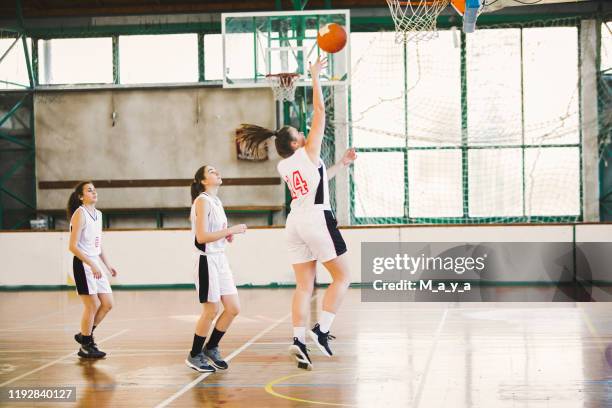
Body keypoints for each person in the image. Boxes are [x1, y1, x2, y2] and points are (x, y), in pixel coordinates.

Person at [236, 57, 357, 370]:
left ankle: (298, 340)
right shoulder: (307, 152)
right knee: (343, 277)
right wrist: (315, 77)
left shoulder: (286, 163)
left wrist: (340, 166)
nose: (305, 133)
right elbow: (320, 112)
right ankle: (322, 330)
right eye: (299, 133)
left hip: (295, 223)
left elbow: (317, 180)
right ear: (294, 142)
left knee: (304, 286)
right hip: (317, 219)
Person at [185, 165, 247, 373]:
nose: (217, 172)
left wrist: (225, 234)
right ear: (203, 180)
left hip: (220, 259)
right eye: (212, 171)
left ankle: (211, 348)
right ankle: (194, 354)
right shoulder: (202, 201)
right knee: (211, 310)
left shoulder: (216, 201)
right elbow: (201, 237)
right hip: (206, 261)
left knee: (233, 308)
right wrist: (231, 230)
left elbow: (213, 233)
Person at [67, 181, 117, 359]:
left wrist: (107, 264)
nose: (94, 192)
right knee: (93, 305)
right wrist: (92, 264)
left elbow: (98, 243)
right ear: (81, 196)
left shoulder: (98, 214)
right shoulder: (79, 214)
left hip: (95, 263)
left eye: (95, 189)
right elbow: (72, 246)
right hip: (83, 264)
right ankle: (86, 345)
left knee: (107, 303)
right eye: (89, 190)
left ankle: (84, 336)